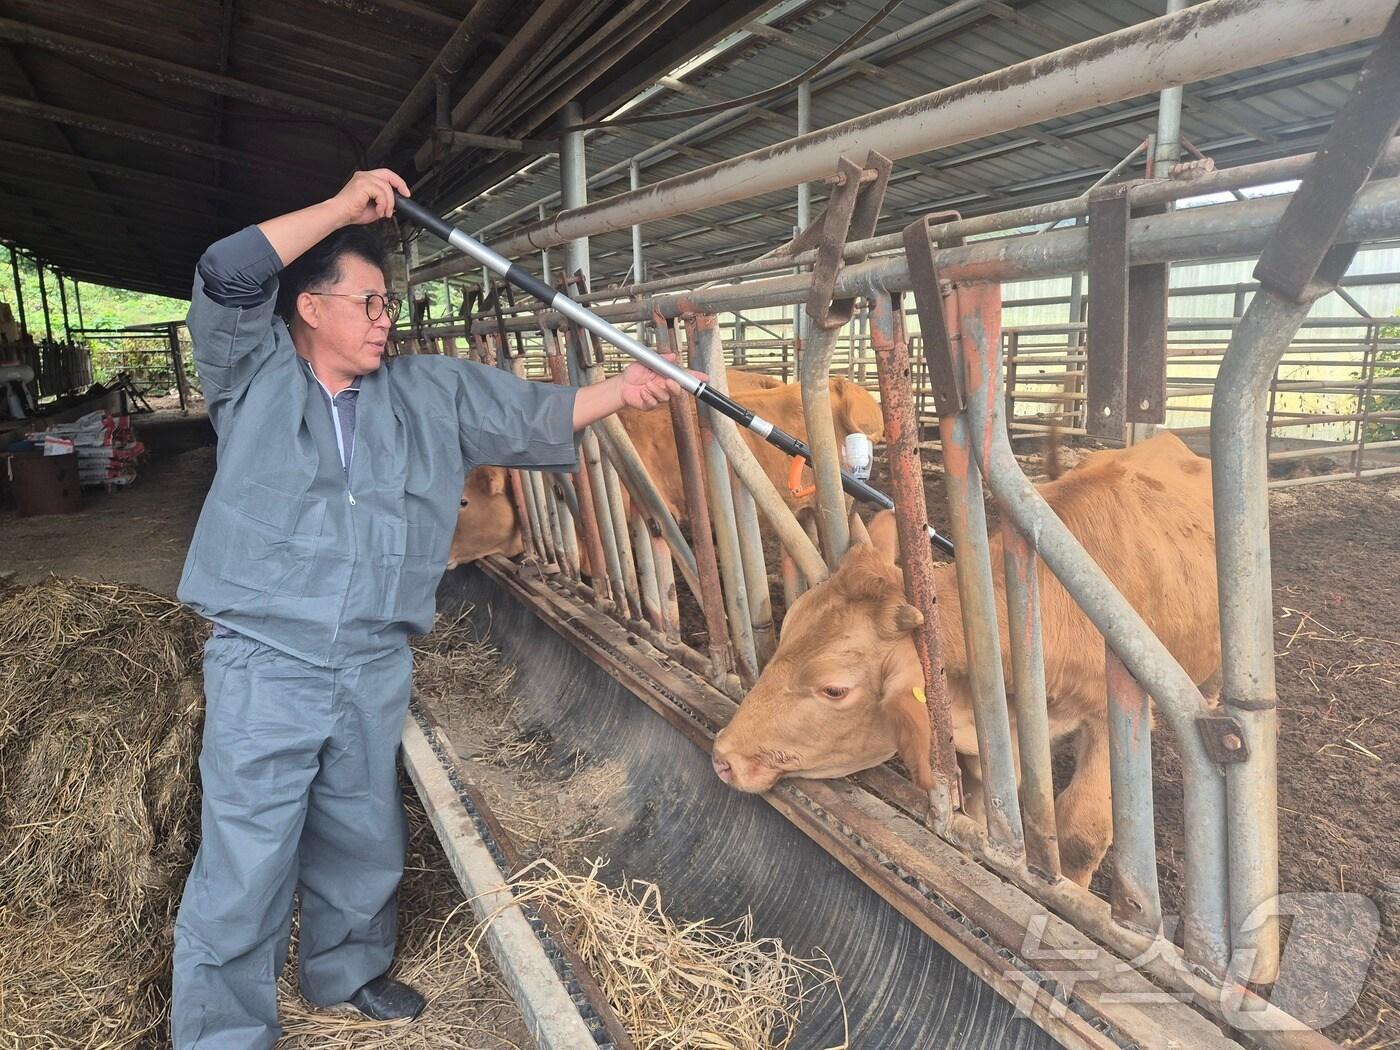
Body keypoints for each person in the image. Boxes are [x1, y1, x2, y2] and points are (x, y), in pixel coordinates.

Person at [171, 169, 691, 1048]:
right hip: (267, 656)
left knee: (361, 832)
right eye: (368, 303)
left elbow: (533, 413)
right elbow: (226, 271)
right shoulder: (251, 378)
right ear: (308, 306)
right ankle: (223, 1033)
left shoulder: (425, 393)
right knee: (248, 854)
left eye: (387, 307)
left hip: (374, 656)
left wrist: (625, 393)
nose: (385, 321)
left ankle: (346, 972)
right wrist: (340, 208)